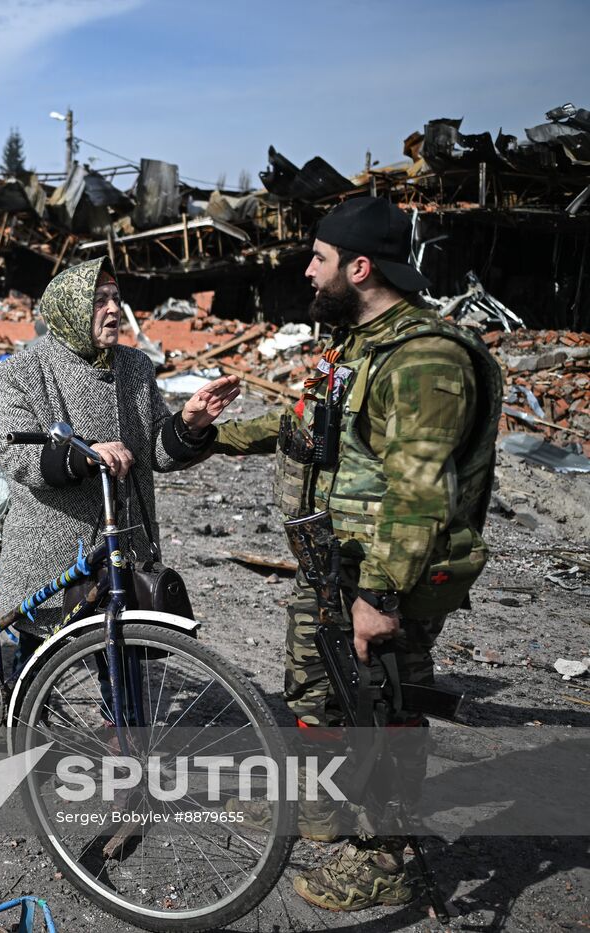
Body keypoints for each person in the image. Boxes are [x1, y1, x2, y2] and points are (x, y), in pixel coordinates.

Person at [212, 197, 502, 911]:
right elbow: (306, 430)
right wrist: (205, 435)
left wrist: (381, 597)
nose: (308, 270)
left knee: (382, 711)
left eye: (318, 258)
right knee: (318, 694)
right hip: (332, 567)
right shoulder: (362, 346)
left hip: (381, 577)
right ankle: (323, 811)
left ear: (360, 266)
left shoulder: (424, 359)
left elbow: (419, 492)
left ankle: (387, 857)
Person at [0, 256, 241, 630]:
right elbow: (16, 454)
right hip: (52, 550)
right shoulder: (23, 371)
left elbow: (154, 450)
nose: (113, 309)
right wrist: (87, 455)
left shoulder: (136, 366)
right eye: (98, 300)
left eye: (115, 297)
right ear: (70, 308)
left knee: (122, 662)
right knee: (39, 664)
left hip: (125, 542)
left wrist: (187, 425)